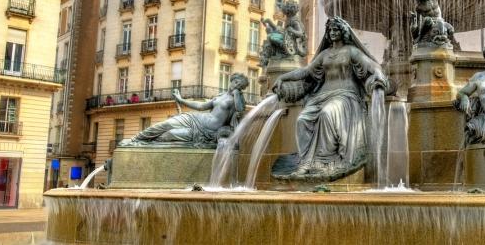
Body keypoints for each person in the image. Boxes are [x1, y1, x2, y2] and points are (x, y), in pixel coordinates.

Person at [271, 16, 389, 181]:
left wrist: (377, 73)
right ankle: (306, 162)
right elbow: (305, 71)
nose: (332, 33)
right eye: (330, 30)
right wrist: (283, 78)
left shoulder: (351, 51)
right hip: (322, 95)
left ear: (343, 32)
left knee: (327, 114)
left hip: (346, 95)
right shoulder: (325, 54)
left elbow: (372, 65)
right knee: (302, 120)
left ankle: (325, 162)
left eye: (336, 30)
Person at [119, 75, 248, 147]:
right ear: (231, 81)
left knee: (170, 134)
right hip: (196, 119)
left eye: (240, 86)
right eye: (236, 82)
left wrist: (237, 94)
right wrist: (181, 100)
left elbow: (240, 111)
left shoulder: (237, 100)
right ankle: (135, 139)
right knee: (167, 124)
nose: (236, 86)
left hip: (207, 131)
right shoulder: (220, 96)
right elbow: (201, 106)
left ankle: (144, 143)